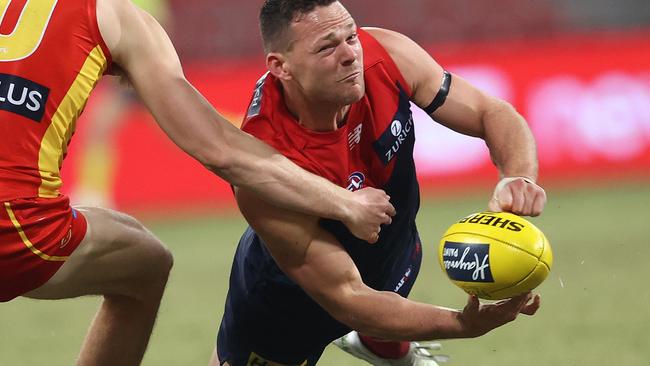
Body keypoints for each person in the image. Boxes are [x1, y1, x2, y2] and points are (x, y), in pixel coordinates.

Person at [0, 1, 395, 365]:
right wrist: (345, 203)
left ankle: (92, 186)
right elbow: (221, 151)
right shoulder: (115, 17)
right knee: (146, 265)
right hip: (17, 228)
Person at [212, 1, 548, 365]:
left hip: (393, 250)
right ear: (281, 67)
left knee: (388, 295)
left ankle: (382, 345)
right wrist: (462, 324)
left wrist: (518, 175)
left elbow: (489, 111)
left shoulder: (384, 54)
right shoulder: (262, 163)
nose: (350, 55)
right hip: (288, 306)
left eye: (350, 36)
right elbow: (348, 298)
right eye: (327, 47)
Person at [72, 0, 171, 208]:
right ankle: (94, 195)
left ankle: (94, 195)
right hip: (133, 74)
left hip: (139, 73)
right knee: (99, 129)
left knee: (183, 129)